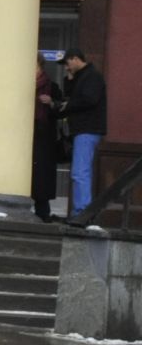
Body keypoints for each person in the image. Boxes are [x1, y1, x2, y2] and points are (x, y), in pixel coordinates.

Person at [55, 47, 107, 224]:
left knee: (80, 172)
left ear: (75, 59)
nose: (66, 68)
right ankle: (81, 211)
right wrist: (69, 80)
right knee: (80, 172)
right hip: (83, 130)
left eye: (67, 64)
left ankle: (82, 212)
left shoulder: (92, 76)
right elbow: (70, 98)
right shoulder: (82, 77)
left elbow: (88, 100)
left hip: (87, 129)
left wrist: (68, 106)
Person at [32, 56, 60, 223]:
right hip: (22, 135)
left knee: (41, 175)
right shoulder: (19, 85)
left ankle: (43, 211)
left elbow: (61, 109)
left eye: (36, 66)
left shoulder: (52, 87)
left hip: (44, 136)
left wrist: (51, 103)